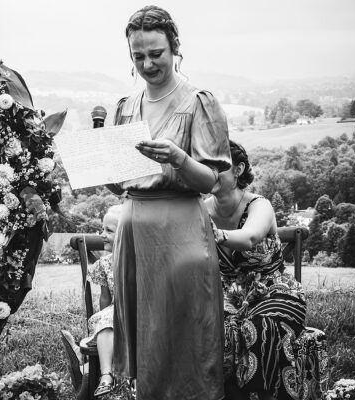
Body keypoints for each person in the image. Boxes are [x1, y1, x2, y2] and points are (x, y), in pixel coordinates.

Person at [107, 6, 232, 399]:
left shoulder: (199, 101)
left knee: (185, 340)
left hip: (180, 234)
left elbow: (213, 181)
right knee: (146, 342)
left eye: (156, 53)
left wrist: (177, 158)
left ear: (175, 47)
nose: (147, 63)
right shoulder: (125, 106)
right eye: (137, 56)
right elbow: (120, 184)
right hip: (133, 233)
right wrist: (94, 165)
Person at [205, 141, 306, 400]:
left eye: (217, 168)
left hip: (274, 291)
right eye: (204, 167)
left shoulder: (260, 205)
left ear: (238, 169)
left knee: (262, 327)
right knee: (207, 329)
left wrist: (214, 234)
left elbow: (249, 238)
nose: (208, 173)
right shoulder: (201, 209)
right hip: (228, 296)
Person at [79, 204, 122, 397]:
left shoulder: (142, 259)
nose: (102, 234)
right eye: (102, 229)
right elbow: (105, 297)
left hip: (139, 311)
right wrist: (104, 318)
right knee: (105, 323)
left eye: (109, 230)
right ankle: (106, 376)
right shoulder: (105, 263)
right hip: (116, 311)